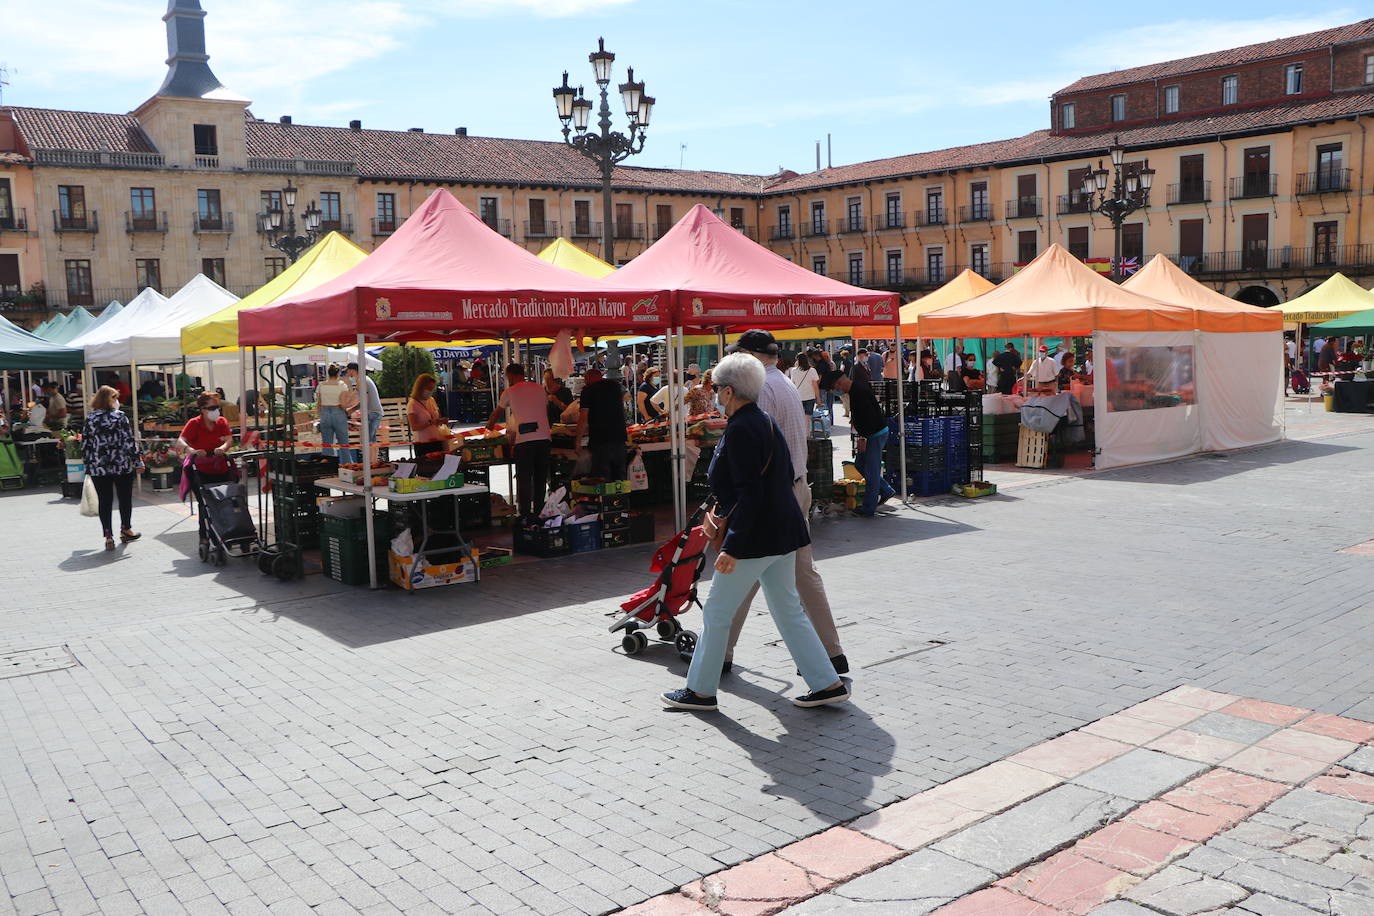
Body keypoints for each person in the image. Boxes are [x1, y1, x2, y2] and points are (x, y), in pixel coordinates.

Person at [661, 352, 849, 712]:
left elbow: (750, 493)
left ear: (729, 391)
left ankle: (700, 690)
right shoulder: (761, 421)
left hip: (756, 536)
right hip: (782, 530)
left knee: (717, 611)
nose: (714, 393)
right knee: (787, 610)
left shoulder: (743, 428)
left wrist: (732, 546)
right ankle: (826, 682)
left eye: (717, 388)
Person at [718, 330, 847, 676]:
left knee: (741, 575)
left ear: (747, 357)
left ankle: (718, 654)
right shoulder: (786, 382)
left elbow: (754, 451)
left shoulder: (760, 391)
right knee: (802, 575)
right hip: (796, 487)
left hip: (772, 495)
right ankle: (831, 654)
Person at [819, 367, 896, 517]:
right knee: (860, 465)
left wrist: (863, 439)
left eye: (834, 388)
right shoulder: (854, 391)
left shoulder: (858, 391)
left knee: (871, 472)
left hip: (874, 434)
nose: (836, 391)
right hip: (870, 434)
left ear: (839, 383)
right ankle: (886, 489)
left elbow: (869, 418)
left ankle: (868, 508)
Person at [82, 386, 142, 551]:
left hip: (98, 467)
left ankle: (108, 535)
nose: (117, 402)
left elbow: (86, 444)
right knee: (124, 498)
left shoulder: (90, 419)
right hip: (121, 465)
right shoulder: (120, 417)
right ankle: (126, 529)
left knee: (105, 501)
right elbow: (129, 442)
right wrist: (138, 461)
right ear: (108, 400)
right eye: (114, 398)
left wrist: (87, 465)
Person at [488, 364, 552, 519]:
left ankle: (525, 514)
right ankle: (538, 511)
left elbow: (497, 413)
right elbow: (544, 408)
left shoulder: (509, 391)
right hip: (544, 438)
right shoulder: (539, 388)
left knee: (524, 478)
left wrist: (489, 426)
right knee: (540, 478)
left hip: (525, 441)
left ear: (511, 375)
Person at [576, 368, 628, 481]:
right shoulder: (615, 387)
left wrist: (577, 441)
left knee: (602, 479)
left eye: (585, 379)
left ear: (588, 378)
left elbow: (583, 418)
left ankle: (607, 499)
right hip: (619, 438)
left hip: (600, 440)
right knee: (620, 479)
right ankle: (621, 498)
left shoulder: (588, 391)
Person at [177, 392, 235, 484]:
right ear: (203, 410)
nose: (216, 410)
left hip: (221, 467)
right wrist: (193, 451)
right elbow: (180, 441)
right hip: (200, 469)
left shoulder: (222, 421)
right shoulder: (194, 423)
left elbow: (229, 439)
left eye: (217, 407)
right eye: (212, 408)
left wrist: (222, 448)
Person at [315, 365, 355, 464]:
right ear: (338, 374)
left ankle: (328, 465)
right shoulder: (342, 385)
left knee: (327, 443)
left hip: (325, 413)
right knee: (343, 442)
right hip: (338, 413)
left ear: (328, 373)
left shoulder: (321, 385)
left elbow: (318, 403)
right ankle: (346, 465)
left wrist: (319, 415)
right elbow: (343, 404)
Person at [407, 374, 448, 458]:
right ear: (421, 388)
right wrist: (429, 422)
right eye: (429, 388)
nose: (430, 391)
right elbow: (414, 427)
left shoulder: (431, 400)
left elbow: (437, 417)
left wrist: (441, 421)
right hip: (423, 444)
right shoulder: (412, 404)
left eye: (432, 389)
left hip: (437, 440)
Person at [346, 362, 384, 452]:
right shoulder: (363, 379)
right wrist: (351, 409)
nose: (347, 373)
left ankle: (371, 464)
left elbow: (363, 400)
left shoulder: (361, 380)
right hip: (373, 412)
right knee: (371, 441)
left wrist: (348, 408)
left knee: (368, 441)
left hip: (372, 413)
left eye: (347, 371)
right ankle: (373, 463)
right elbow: (360, 399)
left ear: (352, 371)